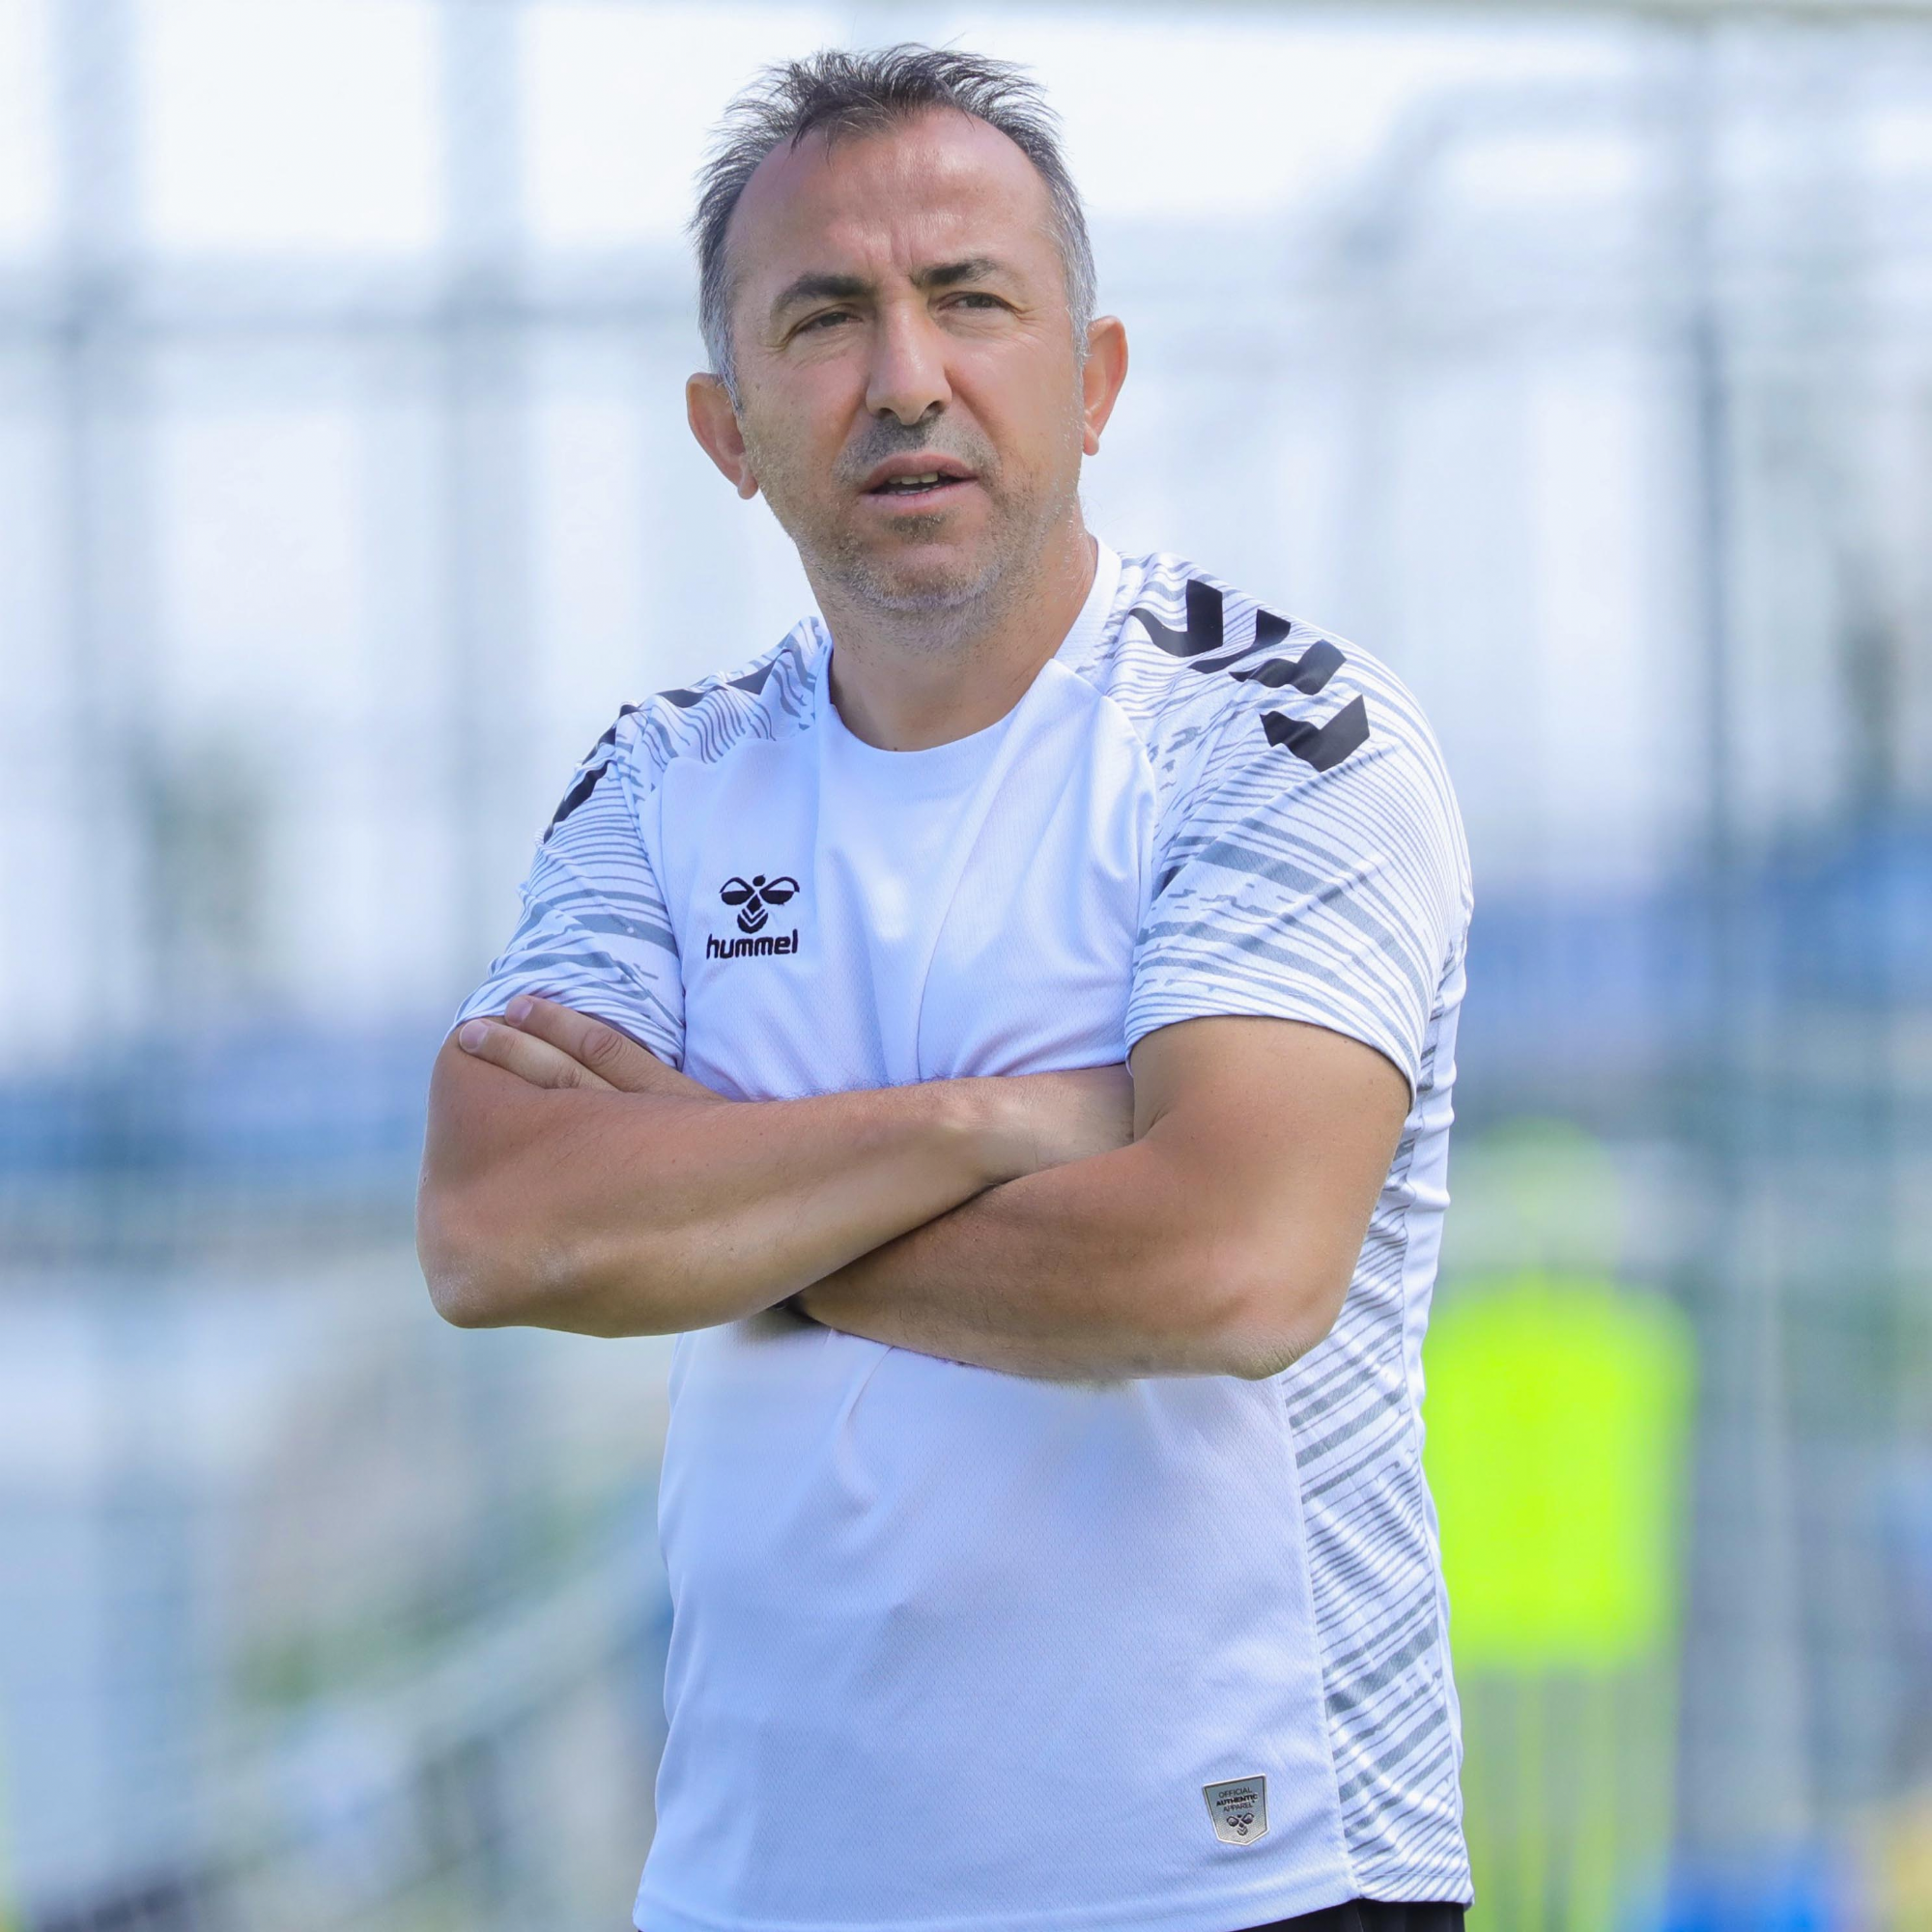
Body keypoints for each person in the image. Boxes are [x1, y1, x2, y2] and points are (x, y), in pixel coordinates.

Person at [416, 44, 1474, 1932]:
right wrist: (989, 1125)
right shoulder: (660, 782)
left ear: (1095, 378)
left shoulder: (1277, 740)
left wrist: (728, 1221)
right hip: (761, 1888)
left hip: (1248, 1879)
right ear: (727, 428)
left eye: (970, 298)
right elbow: (500, 1228)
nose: (906, 375)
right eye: (824, 317)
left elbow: (1226, 1267)